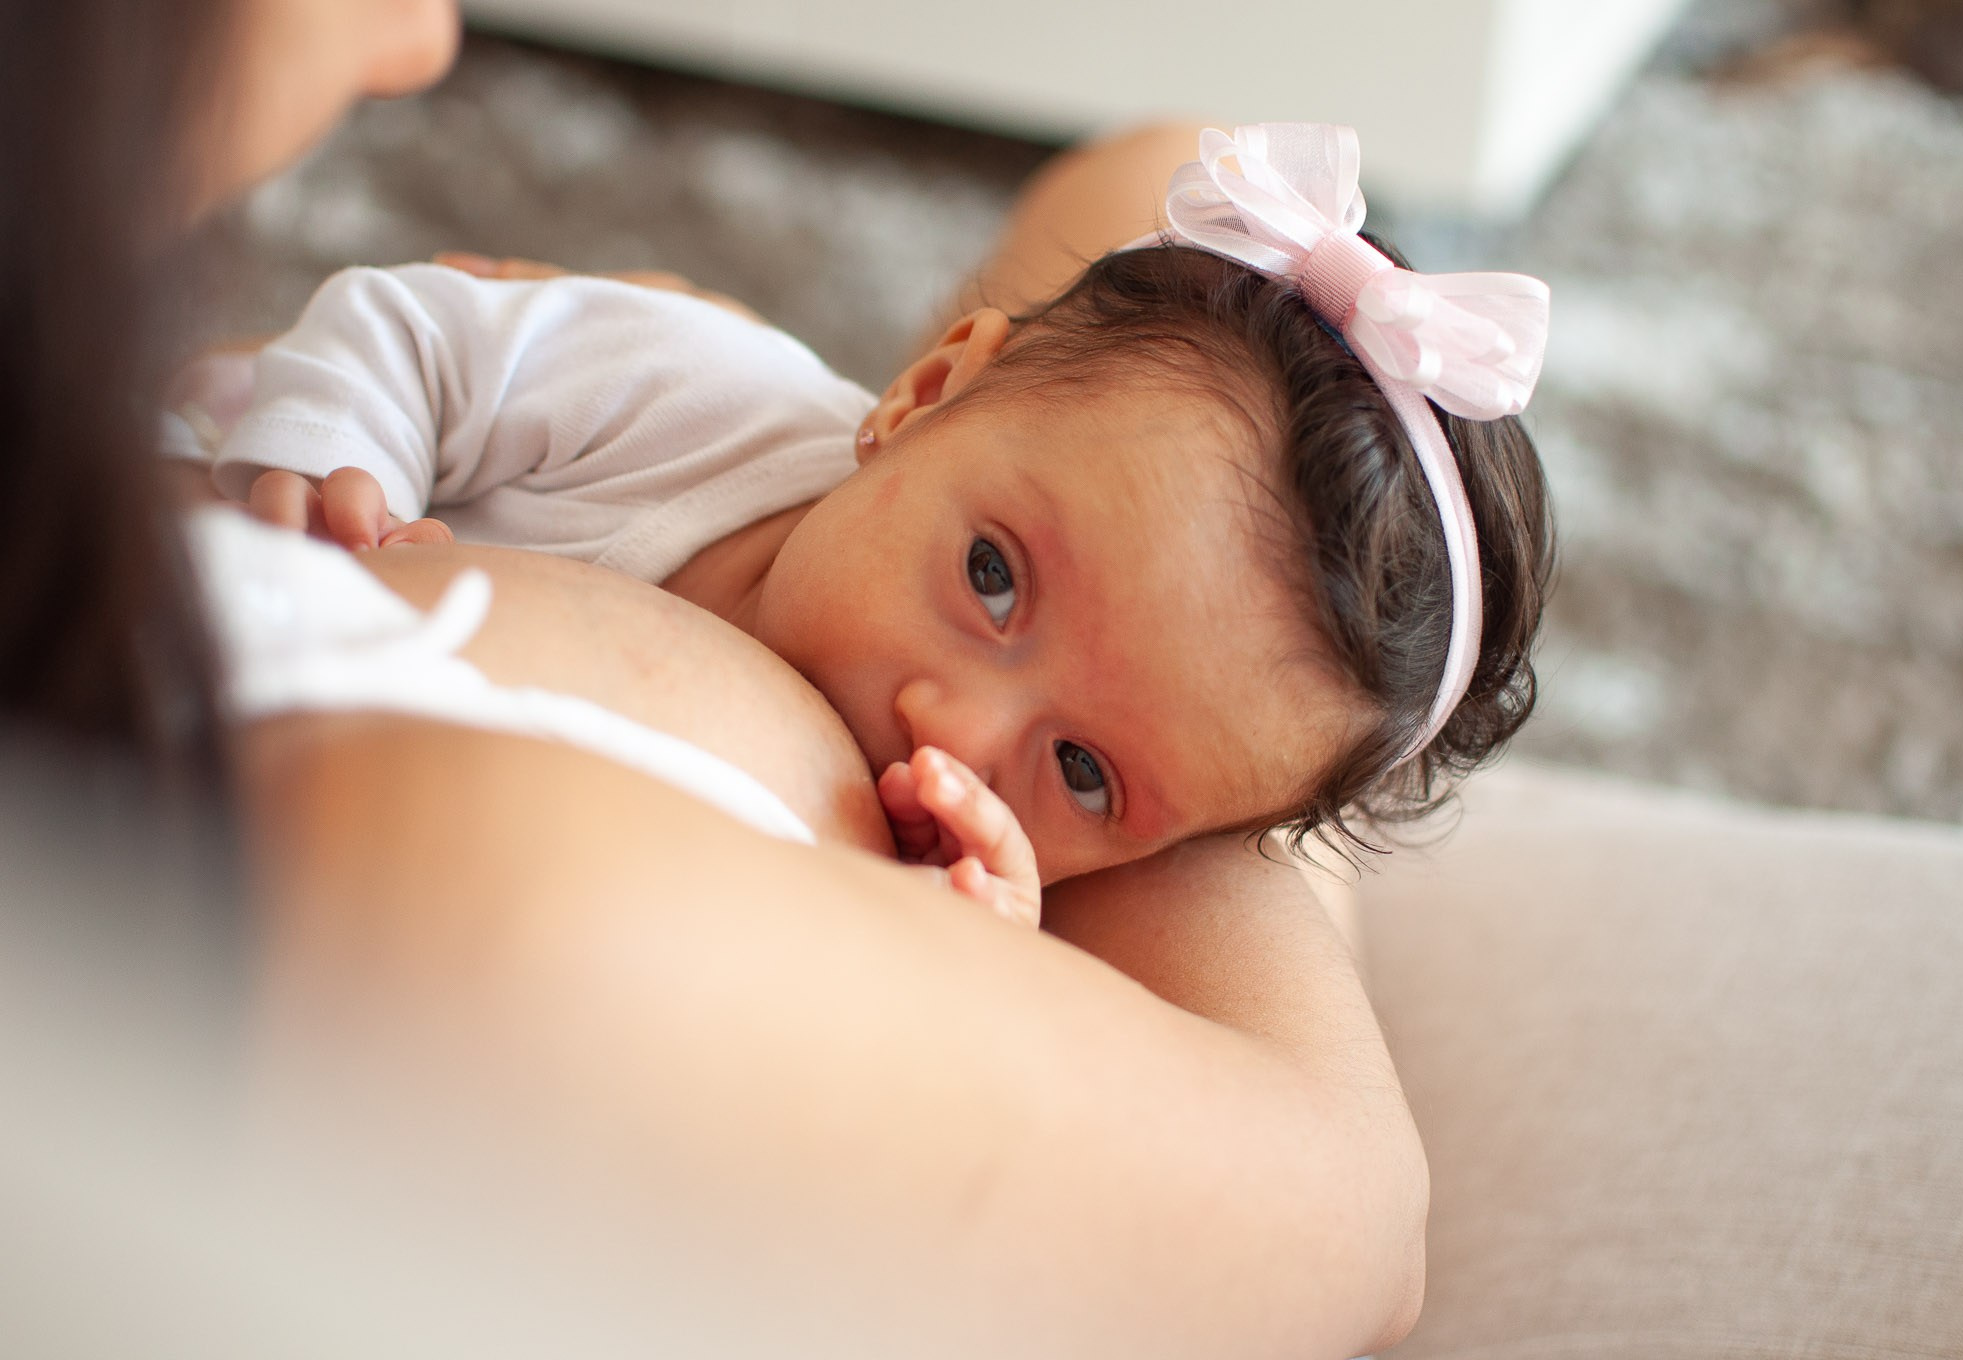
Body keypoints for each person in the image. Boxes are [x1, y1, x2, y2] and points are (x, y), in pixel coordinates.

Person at [4, 2, 1441, 1354]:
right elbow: (1358, 1227)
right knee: (1153, 291)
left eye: (1089, 771)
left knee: (1164, 205)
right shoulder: (389, 883)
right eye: (992, 578)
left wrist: (1015, 878)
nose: (426, 37)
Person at [171, 125, 1554, 927]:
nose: (951, 720)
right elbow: (417, 328)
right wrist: (334, 461)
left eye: (1084, 775)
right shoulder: (695, 392)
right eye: (994, 576)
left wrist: (974, 945)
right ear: (924, 393)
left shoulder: (940, 858)